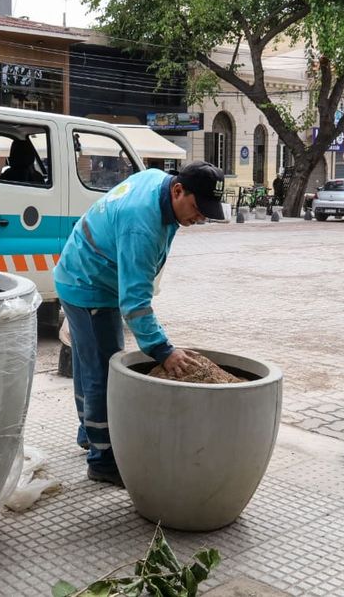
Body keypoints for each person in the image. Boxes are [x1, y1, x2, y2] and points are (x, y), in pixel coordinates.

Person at [54, 160, 225, 487]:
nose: (200, 216)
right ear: (178, 190)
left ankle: (88, 433)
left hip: (85, 272)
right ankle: (103, 460)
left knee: (89, 362)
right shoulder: (141, 223)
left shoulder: (159, 184)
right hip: (88, 284)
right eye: (197, 207)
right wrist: (163, 350)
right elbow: (134, 302)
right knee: (103, 373)